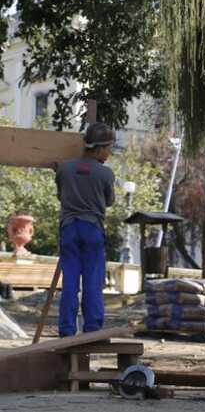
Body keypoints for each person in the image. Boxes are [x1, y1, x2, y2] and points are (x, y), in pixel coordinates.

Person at [56, 122, 116, 337]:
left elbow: (61, 195)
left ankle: (67, 330)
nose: (109, 152)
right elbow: (109, 201)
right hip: (92, 229)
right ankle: (92, 330)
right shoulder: (105, 174)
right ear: (99, 148)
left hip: (69, 228)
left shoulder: (64, 168)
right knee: (92, 281)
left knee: (70, 281)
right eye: (109, 148)